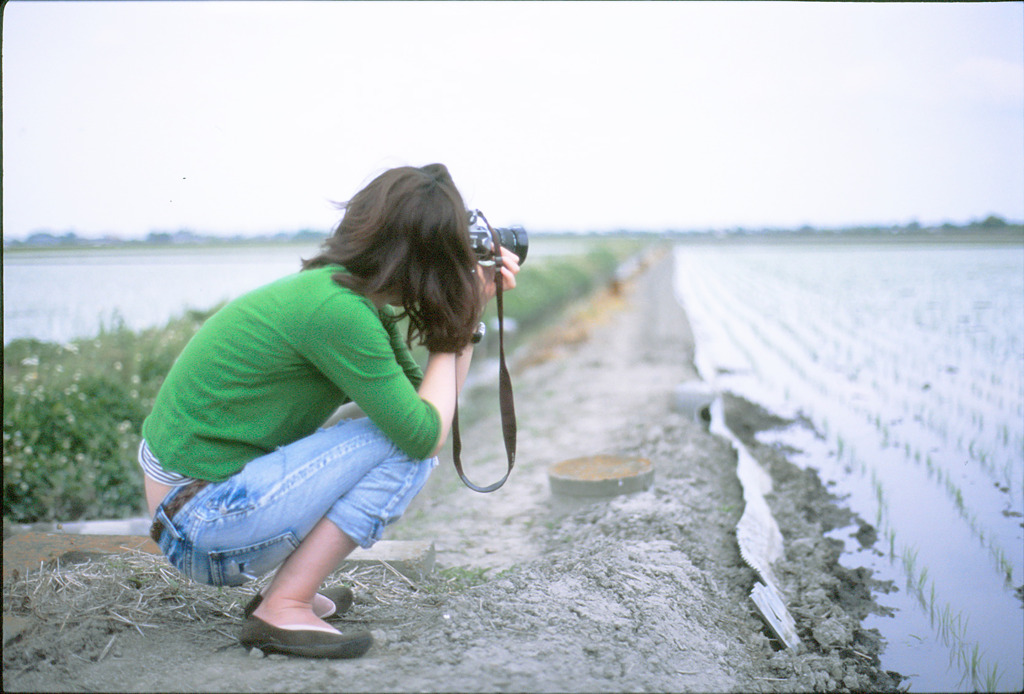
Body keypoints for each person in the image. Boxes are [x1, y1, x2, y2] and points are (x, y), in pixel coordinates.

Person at [139, 163, 520, 659]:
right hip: (198, 524)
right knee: (404, 447)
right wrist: (462, 315)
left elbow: (427, 403)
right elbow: (424, 434)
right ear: (422, 254)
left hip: (195, 505)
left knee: (402, 432)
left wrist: (463, 323)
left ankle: (286, 592)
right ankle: (284, 605)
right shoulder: (336, 312)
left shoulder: (346, 294)